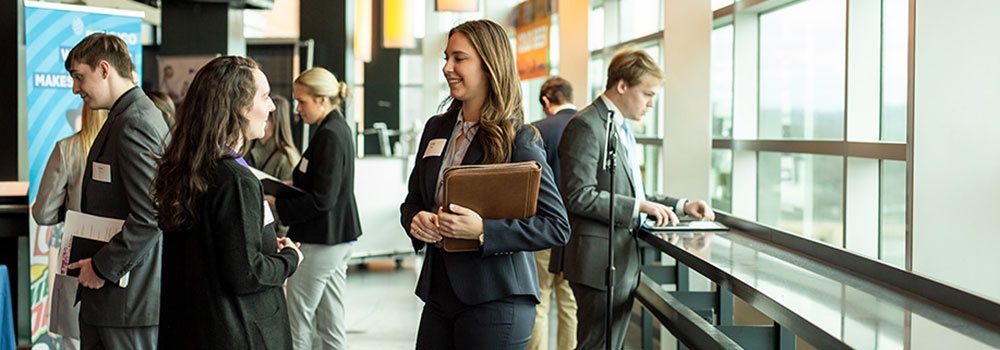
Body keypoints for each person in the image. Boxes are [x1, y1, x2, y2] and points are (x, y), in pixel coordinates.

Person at [399, 19, 571, 350]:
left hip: (497, 298)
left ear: (489, 64)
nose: (447, 68)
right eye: (446, 58)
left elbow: (556, 226)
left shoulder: (517, 138)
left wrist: (483, 230)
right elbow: (413, 199)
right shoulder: (436, 128)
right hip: (438, 293)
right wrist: (415, 219)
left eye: (459, 58)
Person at [557, 49, 716, 350]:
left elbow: (634, 192)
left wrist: (681, 206)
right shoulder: (587, 125)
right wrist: (637, 207)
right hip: (598, 262)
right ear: (621, 85)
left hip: (615, 259)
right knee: (598, 345)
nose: (651, 104)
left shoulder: (619, 127)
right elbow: (577, 195)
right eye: (647, 94)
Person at [153, 55, 303, 350]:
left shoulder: (185, 167)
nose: (272, 107)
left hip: (191, 329)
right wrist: (289, 260)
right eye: (265, 97)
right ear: (240, 106)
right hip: (236, 332)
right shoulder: (235, 179)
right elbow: (246, 274)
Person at [63, 32, 169, 350]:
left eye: (79, 77)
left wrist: (102, 267)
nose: (75, 88)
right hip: (114, 301)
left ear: (105, 70)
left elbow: (152, 212)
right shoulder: (124, 117)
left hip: (126, 302)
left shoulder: (135, 122)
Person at [269, 67, 362, 350]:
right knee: (330, 322)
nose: (297, 109)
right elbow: (318, 182)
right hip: (335, 238)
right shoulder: (333, 129)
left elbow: (322, 199)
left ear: (322, 100)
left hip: (321, 239)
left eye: (302, 102)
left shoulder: (330, 134)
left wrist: (277, 204)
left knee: (298, 320)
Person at [33, 103, 108, 350]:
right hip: (118, 265)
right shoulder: (125, 148)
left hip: (74, 262)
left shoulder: (67, 149)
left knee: (74, 342)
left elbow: (42, 213)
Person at [528, 76, 578, 350]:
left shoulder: (536, 131)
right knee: (569, 301)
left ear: (546, 101)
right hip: (577, 230)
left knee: (540, 299)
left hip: (544, 228)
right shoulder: (588, 127)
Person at [248, 95, 300, 237]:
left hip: (273, 234)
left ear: (271, 120)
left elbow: (289, 205)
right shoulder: (248, 150)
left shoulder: (286, 158)